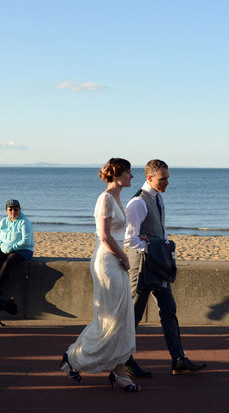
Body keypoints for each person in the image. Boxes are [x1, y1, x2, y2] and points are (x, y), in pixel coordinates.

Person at [60, 158, 140, 392]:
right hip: (107, 262)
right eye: (128, 172)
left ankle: (119, 371)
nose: (131, 177)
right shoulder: (104, 199)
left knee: (121, 317)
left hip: (115, 260)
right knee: (109, 318)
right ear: (117, 174)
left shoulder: (116, 198)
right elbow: (104, 236)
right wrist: (124, 257)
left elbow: (116, 233)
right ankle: (73, 358)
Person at [124, 159, 207, 376]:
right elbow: (129, 240)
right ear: (149, 178)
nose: (167, 182)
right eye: (163, 179)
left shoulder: (158, 199)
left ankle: (178, 359)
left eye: (168, 177)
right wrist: (153, 246)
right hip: (141, 268)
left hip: (159, 266)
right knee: (134, 316)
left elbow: (162, 232)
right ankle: (125, 360)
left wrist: (169, 261)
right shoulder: (137, 203)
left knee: (169, 310)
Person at [0, 199, 34, 298]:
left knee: (8, 262)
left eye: (16, 209)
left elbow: (26, 241)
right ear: (6, 210)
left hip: (23, 250)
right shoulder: (3, 221)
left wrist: (11, 248)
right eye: (10, 209)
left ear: (20, 209)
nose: (13, 212)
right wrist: (3, 246)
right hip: (5, 249)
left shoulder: (25, 222)